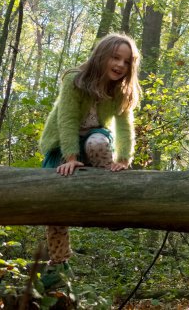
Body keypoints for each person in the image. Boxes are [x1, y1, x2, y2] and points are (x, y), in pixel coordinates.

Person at [38, 33, 141, 290]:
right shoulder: (75, 80)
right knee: (54, 206)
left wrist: (124, 159)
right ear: (101, 56)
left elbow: (125, 127)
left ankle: (108, 199)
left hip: (93, 139)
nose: (120, 65)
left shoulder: (120, 90)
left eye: (126, 62)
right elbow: (67, 120)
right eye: (115, 58)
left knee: (98, 143)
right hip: (64, 144)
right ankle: (58, 263)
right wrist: (69, 158)